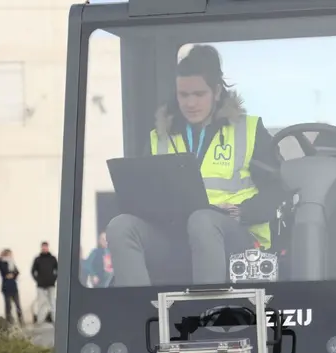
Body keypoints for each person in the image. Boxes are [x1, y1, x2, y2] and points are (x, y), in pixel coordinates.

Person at [106, 44, 282, 287]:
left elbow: (278, 192)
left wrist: (240, 211)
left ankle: (207, 313)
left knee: (202, 220)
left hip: (237, 238)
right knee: (120, 226)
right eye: (183, 95)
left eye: (199, 94)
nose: (190, 103)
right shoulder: (159, 138)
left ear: (217, 91)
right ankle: (137, 311)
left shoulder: (249, 130)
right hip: (176, 238)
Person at [0, 248, 24, 326]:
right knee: (8, 306)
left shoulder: (12, 263)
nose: (11, 256)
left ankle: (21, 321)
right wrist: (1, 256)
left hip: (13, 286)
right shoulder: (1, 263)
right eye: (9, 254)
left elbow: (17, 272)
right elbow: (3, 271)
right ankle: (9, 322)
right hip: (6, 287)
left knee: (18, 304)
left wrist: (12, 275)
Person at [31, 241, 58, 323]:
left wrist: (54, 278)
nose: (44, 248)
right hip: (41, 285)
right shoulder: (37, 259)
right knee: (41, 303)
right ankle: (40, 321)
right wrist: (37, 279)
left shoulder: (52, 258)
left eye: (46, 247)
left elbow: (57, 269)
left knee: (52, 302)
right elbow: (33, 271)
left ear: (48, 247)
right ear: (41, 248)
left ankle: (55, 319)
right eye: (43, 247)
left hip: (51, 284)